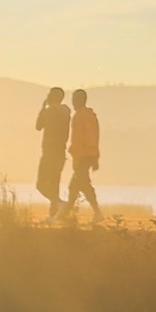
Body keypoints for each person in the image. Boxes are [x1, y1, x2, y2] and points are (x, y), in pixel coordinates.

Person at [65, 89, 101, 220]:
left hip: (82, 156)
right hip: (88, 155)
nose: (73, 102)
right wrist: (95, 156)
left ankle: (97, 212)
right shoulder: (91, 116)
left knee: (83, 184)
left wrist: (77, 157)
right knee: (75, 186)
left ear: (80, 100)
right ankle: (65, 213)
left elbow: (79, 139)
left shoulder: (80, 116)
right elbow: (94, 138)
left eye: (74, 99)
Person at [34, 86, 69, 217]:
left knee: (41, 185)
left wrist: (43, 108)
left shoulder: (49, 112)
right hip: (61, 152)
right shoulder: (66, 112)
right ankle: (53, 215)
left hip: (49, 152)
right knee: (55, 184)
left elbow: (38, 126)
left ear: (52, 97)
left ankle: (59, 203)